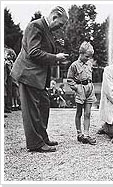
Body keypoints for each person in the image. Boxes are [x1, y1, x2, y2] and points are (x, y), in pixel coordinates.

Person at [10, 6, 69, 152]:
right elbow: (33, 52)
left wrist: (55, 48)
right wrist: (56, 57)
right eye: (60, 24)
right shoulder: (35, 26)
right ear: (55, 16)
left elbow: (41, 49)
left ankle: (42, 137)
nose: (60, 28)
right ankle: (35, 144)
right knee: (31, 111)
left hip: (38, 77)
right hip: (29, 74)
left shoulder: (46, 30)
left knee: (43, 106)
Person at [67, 41, 97, 145]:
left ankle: (86, 135)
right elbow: (69, 79)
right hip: (80, 90)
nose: (88, 58)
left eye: (89, 57)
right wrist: (76, 88)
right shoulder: (74, 65)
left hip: (89, 89)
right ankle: (79, 133)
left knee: (88, 113)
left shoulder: (89, 63)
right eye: (86, 56)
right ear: (81, 53)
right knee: (79, 112)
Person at [4, 47, 16, 113]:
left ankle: (8, 106)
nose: (9, 57)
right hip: (6, 79)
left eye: (11, 56)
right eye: (8, 54)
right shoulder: (5, 62)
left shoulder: (10, 62)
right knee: (5, 93)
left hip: (9, 79)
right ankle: (6, 107)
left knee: (9, 92)